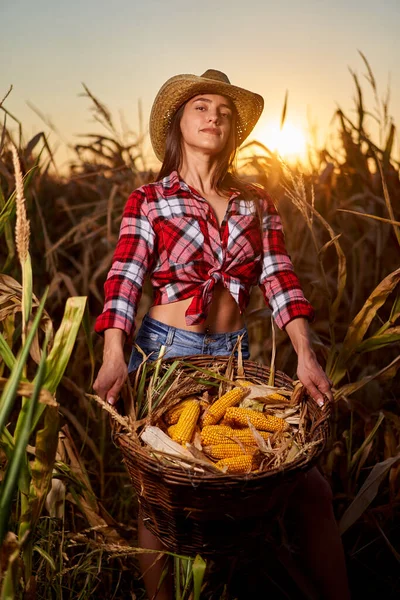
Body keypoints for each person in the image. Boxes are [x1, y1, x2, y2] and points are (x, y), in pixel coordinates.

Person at [93, 69, 350, 599]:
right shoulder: (150, 199)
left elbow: (279, 279)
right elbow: (124, 280)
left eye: (225, 112)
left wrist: (305, 354)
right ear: (178, 124)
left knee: (309, 491)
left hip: (234, 359)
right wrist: (114, 354)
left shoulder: (256, 202)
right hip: (165, 356)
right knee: (162, 498)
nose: (215, 117)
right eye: (201, 107)